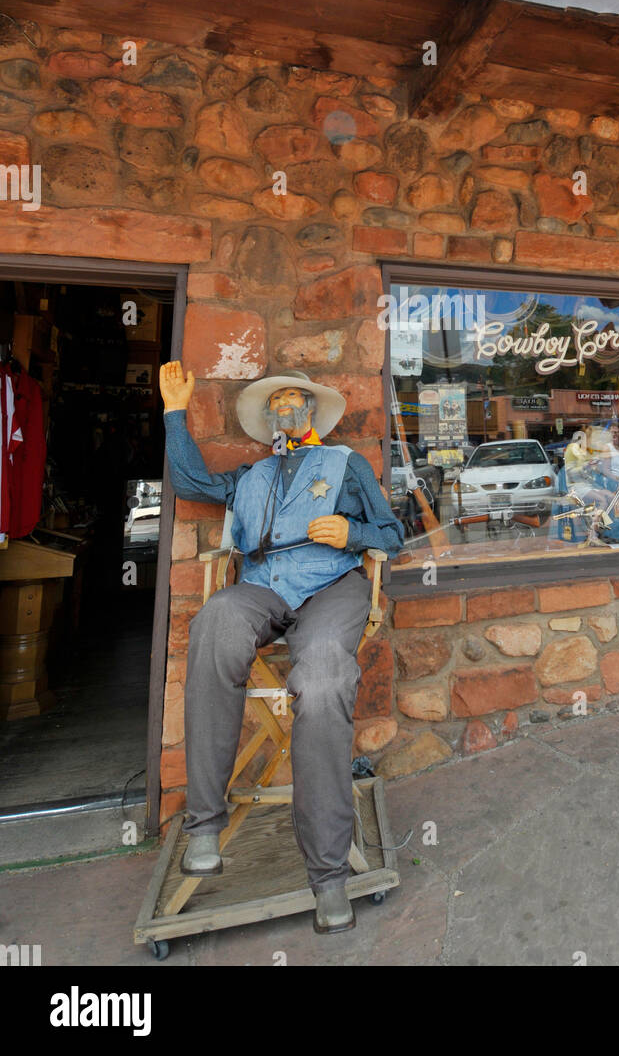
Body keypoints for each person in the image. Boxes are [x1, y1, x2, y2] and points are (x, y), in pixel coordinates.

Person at [159, 362, 403, 935]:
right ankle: (203, 827)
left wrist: (354, 533)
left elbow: (391, 533)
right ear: (268, 419)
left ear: (312, 412)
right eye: (277, 403)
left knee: (321, 681)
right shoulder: (250, 475)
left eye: (295, 400)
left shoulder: (347, 464)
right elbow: (192, 482)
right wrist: (175, 411)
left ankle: (327, 873)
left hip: (331, 590)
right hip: (263, 588)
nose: (285, 409)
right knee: (216, 619)